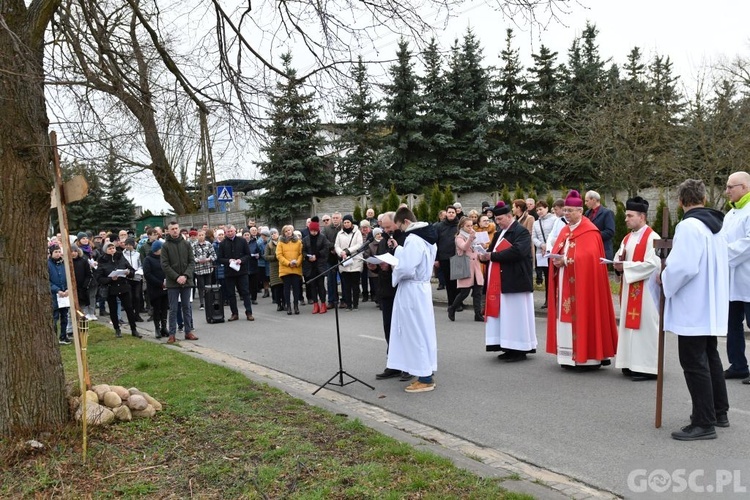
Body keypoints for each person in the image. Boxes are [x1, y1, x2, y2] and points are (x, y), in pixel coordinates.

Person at [661, 178, 729, 441]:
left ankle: (703, 422)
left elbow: (684, 267)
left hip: (693, 306)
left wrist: (664, 278)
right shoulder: (717, 227)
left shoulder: (689, 226)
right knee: (710, 357)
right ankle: (719, 412)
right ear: (704, 199)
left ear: (680, 201)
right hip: (710, 303)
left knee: (693, 362)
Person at [546, 190, 618, 369]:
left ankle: (589, 356)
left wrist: (567, 260)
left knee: (586, 313)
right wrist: (556, 260)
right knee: (565, 313)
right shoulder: (564, 230)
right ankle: (567, 356)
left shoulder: (590, 231)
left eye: (570, 211)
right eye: (565, 211)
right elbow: (558, 249)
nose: (566, 214)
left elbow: (589, 257)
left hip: (584, 285)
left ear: (579, 210)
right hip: (564, 281)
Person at [386, 207, 439, 393]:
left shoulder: (413, 239)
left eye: (400, 226)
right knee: (423, 330)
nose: (400, 230)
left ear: (406, 222)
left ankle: (425, 378)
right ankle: (426, 368)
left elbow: (407, 268)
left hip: (412, 290)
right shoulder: (427, 237)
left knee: (414, 331)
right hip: (421, 289)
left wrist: (395, 268)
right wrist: (399, 250)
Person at [480, 203, 537, 361]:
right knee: (505, 316)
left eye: (500, 219)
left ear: (510, 217)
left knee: (515, 316)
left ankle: (519, 348)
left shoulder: (521, 231)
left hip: (516, 281)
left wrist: (491, 256)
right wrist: (483, 256)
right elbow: (492, 251)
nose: (498, 222)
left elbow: (518, 251)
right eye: (496, 219)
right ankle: (507, 346)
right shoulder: (500, 233)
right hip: (502, 281)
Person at [613, 197, 661, 381]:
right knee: (629, 327)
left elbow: (653, 264)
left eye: (629, 215)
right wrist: (617, 265)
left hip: (647, 293)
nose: (626, 219)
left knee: (645, 328)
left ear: (642, 217)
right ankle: (630, 363)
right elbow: (620, 257)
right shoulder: (627, 238)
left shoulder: (653, 237)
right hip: (630, 289)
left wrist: (625, 266)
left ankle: (648, 367)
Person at [720, 171, 750, 382]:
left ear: (745, 187)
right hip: (731, 281)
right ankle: (738, 364)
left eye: (731, 187)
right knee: (732, 324)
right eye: (727, 186)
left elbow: (748, 243)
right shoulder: (730, 214)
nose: (727, 190)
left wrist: (723, 255)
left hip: (747, 278)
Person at [161, 221, 199, 343]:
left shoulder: (186, 244)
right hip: (173, 282)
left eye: (176, 228)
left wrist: (186, 276)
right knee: (173, 309)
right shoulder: (165, 246)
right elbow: (165, 265)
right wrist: (177, 277)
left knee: (186, 307)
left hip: (187, 281)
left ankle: (188, 331)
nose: (175, 231)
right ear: (168, 231)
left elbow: (192, 262)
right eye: (172, 229)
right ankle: (172, 334)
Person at [96, 241, 141, 338]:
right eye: (109, 248)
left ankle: (134, 329)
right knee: (113, 309)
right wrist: (110, 279)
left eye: (113, 248)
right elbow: (99, 278)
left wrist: (128, 272)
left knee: (129, 308)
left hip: (123, 285)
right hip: (111, 288)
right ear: (105, 250)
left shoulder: (120, 257)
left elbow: (132, 270)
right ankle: (117, 329)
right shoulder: (102, 260)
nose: (112, 250)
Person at [448, 216, 484, 322]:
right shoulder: (459, 237)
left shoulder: (472, 236)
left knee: (478, 292)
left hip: (476, 266)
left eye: (471, 225)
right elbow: (464, 247)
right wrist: (471, 238)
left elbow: (474, 250)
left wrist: (481, 249)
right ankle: (452, 308)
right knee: (465, 292)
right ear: (462, 226)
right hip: (465, 266)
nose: (470, 228)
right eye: (468, 226)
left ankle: (478, 314)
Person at [217, 224, 255, 322]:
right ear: (225, 233)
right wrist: (228, 260)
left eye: (231, 231)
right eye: (228, 232)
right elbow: (219, 259)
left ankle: (249, 312)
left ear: (235, 231)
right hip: (229, 273)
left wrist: (241, 260)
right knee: (231, 294)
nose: (230, 233)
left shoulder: (242, 241)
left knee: (245, 292)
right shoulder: (222, 243)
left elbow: (248, 255)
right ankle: (234, 313)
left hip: (242, 271)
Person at [335, 214, 364, 310]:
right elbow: (336, 245)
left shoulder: (357, 232)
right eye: (345, 222)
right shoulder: (340, 233)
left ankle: (355, 303)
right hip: (344, 261)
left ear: (351, 223)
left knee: (355, 284)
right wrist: (341, 253)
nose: (346, 224)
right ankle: (348, 304)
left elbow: (359, 244)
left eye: (348, 222)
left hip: (355, 261)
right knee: (346, 285)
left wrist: (348, 251)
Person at [302, 219, 331, 314]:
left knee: (321, 285)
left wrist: (317, 255)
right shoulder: (305, 239)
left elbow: (326, 249)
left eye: (315, 231)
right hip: (310, 266)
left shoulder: (322, 238)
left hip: (320, 265)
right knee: (312, 286)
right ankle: (315, 304)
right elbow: (303, 251)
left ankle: (323, 304)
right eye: (312, 231)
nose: (313, 233)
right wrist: (307, 257)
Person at [142, 239, 169, 338]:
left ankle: (164, 327)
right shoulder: (148, 259)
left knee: (165, 308)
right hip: (155, 288)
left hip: (166, 287)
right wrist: (160, 283)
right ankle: (157, 328)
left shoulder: (164, 258)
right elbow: (148, 274)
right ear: (157, 249)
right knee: (157, 309)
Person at [532, 200, 556, 308]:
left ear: (546, 208)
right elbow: (533, 237)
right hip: (541, 252)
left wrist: (548, 245)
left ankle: (555, 298)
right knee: (546, 276)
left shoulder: (554, 220)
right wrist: (541, 244)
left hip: (553, 251)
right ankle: (548, 300)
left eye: (541, 209)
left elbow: (556, 234)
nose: (539, 212)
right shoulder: (536, 223)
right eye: (537, 210)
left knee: (554, 275)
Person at [434, 205, 459, 305]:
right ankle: (451, 303)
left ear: (456, 213)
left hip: (457, 257)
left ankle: (458, 303)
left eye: (453, 212)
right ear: (446, 213)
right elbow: (435, 242)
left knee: (457, 281)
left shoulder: (459, 225)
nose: (451, 214)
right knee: (448, 282)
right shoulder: (439, 226)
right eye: (449, 212)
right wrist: (436, 259)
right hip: (444, 257)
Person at [277, 225, 303, 315]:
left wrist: (297, 262)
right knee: (286, 289)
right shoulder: (280, 243)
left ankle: (296, 306)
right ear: (283, 233)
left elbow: (301, 254)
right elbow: (279, 255)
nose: (288, 232)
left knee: (296, 288)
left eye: (289, 230)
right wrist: (288, 263)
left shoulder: (298, 242)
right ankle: (288, 306)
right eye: (286, 231)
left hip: (296, 268)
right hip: (285, 269)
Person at [48, 246, 71, 345]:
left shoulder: (63, 263)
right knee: (55, 317)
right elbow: (47, 281)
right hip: (54, 295)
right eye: (56, 252)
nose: (58, 254)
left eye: (59, 252)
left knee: (64, 316)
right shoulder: (48, 264)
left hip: (64, 294)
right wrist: (57, 290)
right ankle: (53, 338)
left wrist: (67, 289)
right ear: (51, 253)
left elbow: (68, 276)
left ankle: (63, 335)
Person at [584, 190, 616, 260]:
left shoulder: (607, 213)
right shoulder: (587, 213)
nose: (585, 203)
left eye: (587, 201)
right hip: (589, 251)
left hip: (602, 251)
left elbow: (610, 232)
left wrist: (593, 235)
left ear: (594, 200)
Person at [192, 229, 217, 311]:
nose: (201, 237)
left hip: (208, 268)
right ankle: (201, 303)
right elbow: (192, 257)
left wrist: (208, 259)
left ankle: (209, 301)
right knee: (201, 286)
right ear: (197, 236)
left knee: (208, 286)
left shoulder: (209, 244)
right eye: (199, 235)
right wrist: (198, 260)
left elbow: (214, 255)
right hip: (199, 269)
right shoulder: (194, 245)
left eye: (202, 235)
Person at [265, 228, 285, 311]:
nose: (274, 235)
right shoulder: (269, 245)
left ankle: (285, 303)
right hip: (274, 268)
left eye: (275, 233)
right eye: (272, 233)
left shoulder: (283, 242)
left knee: (284, 287)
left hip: (283, 266)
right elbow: (266, 256)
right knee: (276, 287)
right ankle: (279, 304)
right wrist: (274, 256)